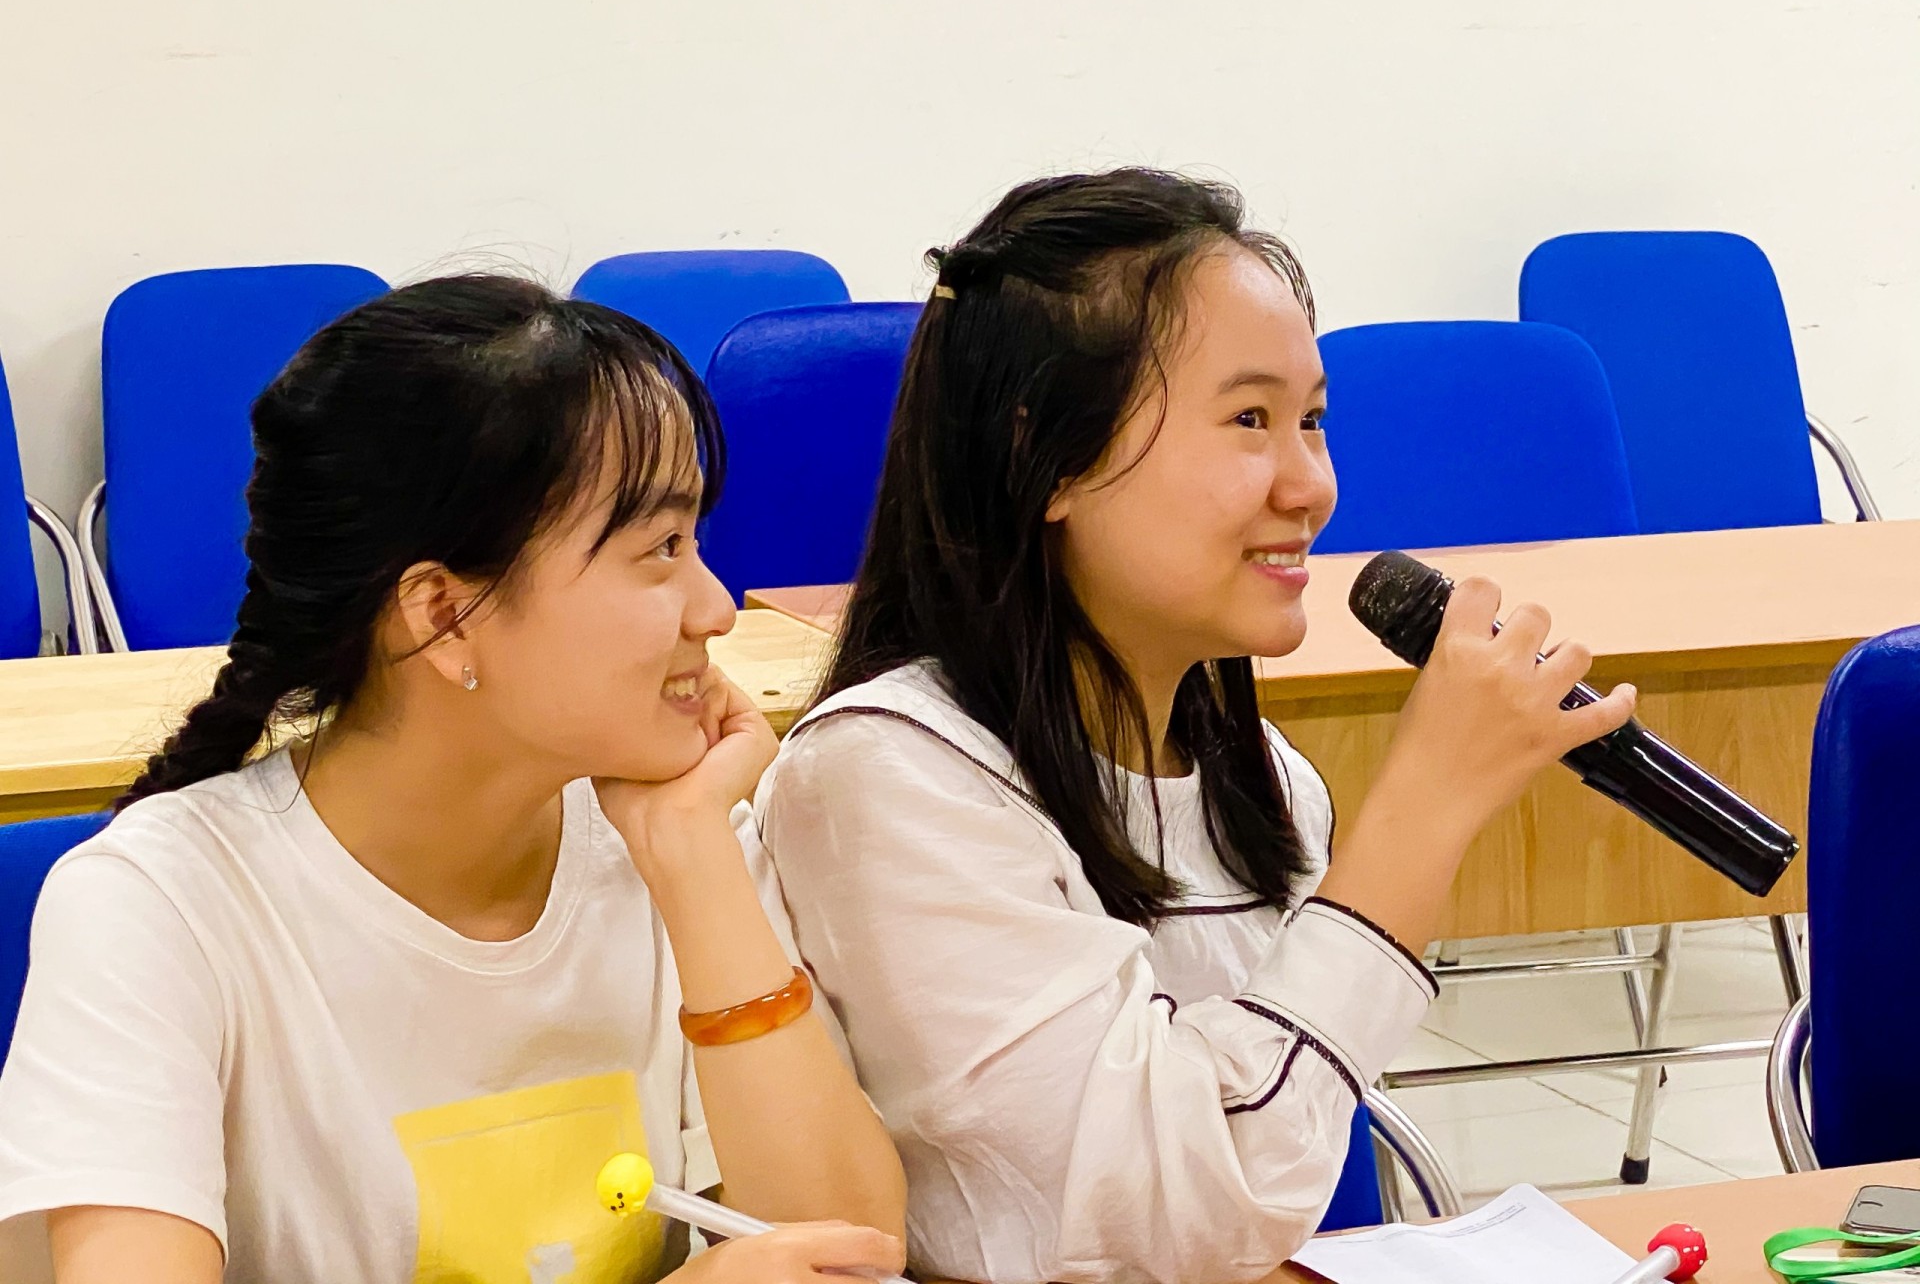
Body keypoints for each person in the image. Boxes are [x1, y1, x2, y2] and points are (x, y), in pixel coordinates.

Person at [753, 170, 1638, 1284]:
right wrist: (1423, 807)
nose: (1310, 485)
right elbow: (1160, 1229)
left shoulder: (1263, 779)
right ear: (1051, 459)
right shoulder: (888, 779)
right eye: (1249, 421)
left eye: (1313, 418)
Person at [0, 277, 907, 1284]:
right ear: (443, 614)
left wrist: (695, 860)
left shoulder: (673, 841)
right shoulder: (160, 908)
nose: (714, 607)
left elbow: (851, 1253)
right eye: (660, 550)